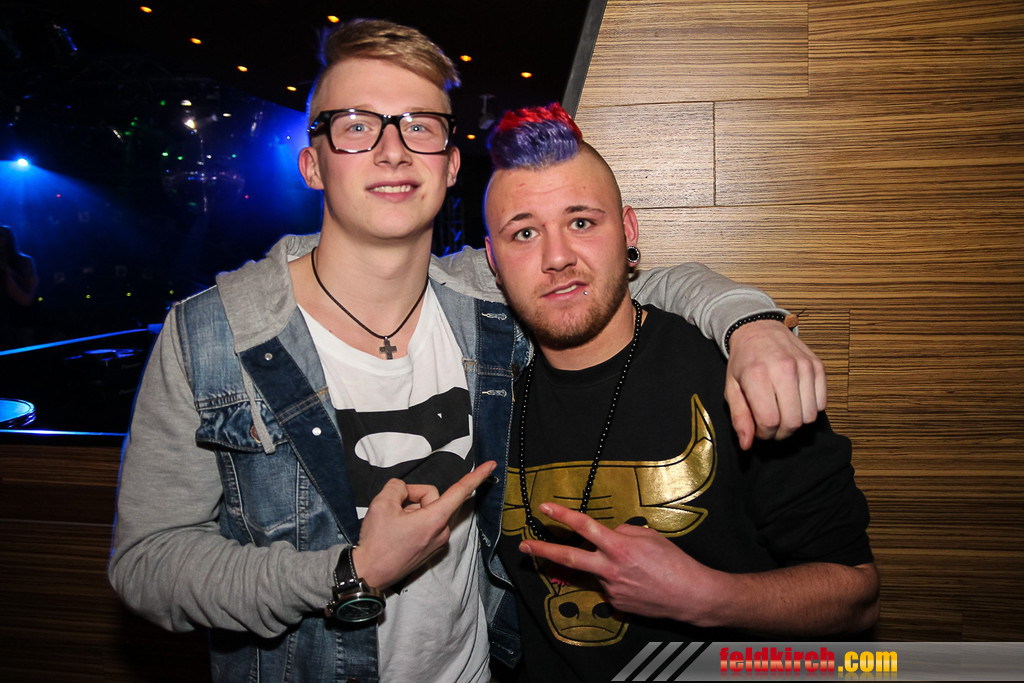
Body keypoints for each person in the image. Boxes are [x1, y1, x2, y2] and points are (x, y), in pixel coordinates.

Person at [108, 20, 829, 683]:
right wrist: (349, 573)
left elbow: (621, 276)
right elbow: (146, 565)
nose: (392, 149)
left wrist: (752, 324)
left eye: (419, 126)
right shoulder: (213, 336)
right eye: (357, 126)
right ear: (312, 164)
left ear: (451, 164)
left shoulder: (483, 301)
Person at [482, 104, 879, 682]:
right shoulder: (482, 393)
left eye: (582, 222)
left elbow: (856, 595)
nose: (557, 257)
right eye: (524, 233)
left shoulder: (735, 375)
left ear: (629, 231)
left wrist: (708, 597)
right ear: (492, 261)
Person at [0, 224, 39, 349]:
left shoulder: (24, 262)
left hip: (19, 318)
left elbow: (25, 298)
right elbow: (25, 298)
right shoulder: (23, 261)